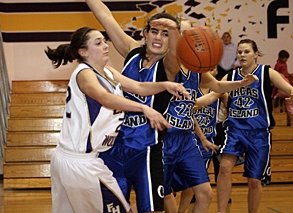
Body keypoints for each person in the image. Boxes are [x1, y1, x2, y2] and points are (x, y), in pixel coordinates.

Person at [45, 27, 189, 213]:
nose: (105, 46)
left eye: (104, 41)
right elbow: (104, 98)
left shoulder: (108, 72)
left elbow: (138, 86)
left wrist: (165, 85)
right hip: (79, 163)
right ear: (83, 52)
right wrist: (144, 108)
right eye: (98, 43)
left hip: (81, 160)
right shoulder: (84, 73)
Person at [85, 1, 182, 212]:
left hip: (146, 149)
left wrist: (174, 29)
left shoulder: (170, 67)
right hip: (113, 146)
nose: (158, 37)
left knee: (151, 209)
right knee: (113, 208)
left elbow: (175, 54)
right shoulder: (132, 52)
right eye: (154, 31)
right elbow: (106, 17)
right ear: (145, 34)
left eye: (166, 34)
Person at [162, 17, 258, 213]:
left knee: (204, 193)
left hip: (187, 139)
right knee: (162, 194)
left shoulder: (195, 68)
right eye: (182, 33)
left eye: (190, 34)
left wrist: (240, 83)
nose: (187, 38)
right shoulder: (165, 63)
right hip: (164, 138)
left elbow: (217, 86)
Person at [216, 39, 293, 213]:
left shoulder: (267, 73)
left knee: (254, 180)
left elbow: (289, 89)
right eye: (240, 52)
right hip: (235, 130)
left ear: (256, 54)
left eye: (246, 52)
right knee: (224, 168)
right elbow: (215, 92)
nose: (242, 55)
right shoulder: (231, 75)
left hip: (259, 132)